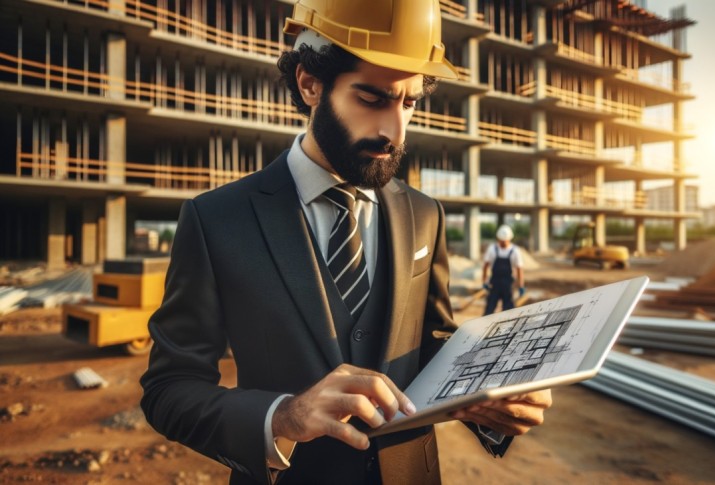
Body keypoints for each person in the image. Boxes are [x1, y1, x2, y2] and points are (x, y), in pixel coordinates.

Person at [139, 1, 552, 484]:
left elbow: (429, 343)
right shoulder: (217, 219)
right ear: (309, 84)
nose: (394, 133)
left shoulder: (425, 215)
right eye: (372, 99)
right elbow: (170, 388)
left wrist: (488, 391)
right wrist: (284, 416)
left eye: (409, 103)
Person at [482, 225, 525, 315]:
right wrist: (484, 281)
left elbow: (519, 269)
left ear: (509, 239)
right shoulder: (492, 249)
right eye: (501, 241)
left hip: (507, 285)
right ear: (498, 239)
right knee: (489, 310)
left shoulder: (515, 251)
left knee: (509, 312)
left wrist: (521, 286)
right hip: (495, 284)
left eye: (505, 241)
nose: (503, 243)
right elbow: (485, 266)